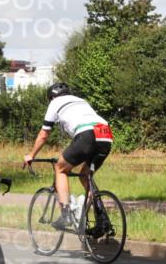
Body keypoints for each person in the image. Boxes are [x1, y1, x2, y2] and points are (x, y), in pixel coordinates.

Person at [22, 82, 112, 229]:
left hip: (87, 135)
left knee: (60, 168)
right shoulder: (81, 101)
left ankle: (66, 215)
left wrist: (31, 155)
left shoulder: (54, 103)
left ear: (51, 97)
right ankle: (102, 219)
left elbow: (44, 134)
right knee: (85, 176)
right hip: (105, 134)